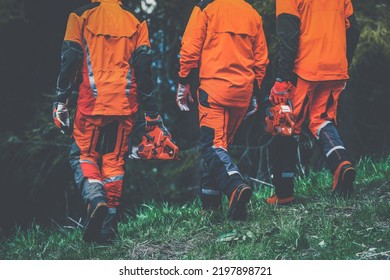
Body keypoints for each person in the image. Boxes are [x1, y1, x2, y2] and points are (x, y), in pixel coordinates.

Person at [52, 0, 169, 243]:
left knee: (83, 155)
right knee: (114, 163)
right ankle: (107, 230)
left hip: (92, 103)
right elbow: (144, 68)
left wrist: (61, 99)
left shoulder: (80, 16)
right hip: (126, 104)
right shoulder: (136, 21)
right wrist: (151, 112)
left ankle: (96, 201)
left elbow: (71, 57)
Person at [177, 0, 269, 220]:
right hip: (243, 92)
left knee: (212, 146)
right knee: (220, 148)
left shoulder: (205, 8)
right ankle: (211, 207)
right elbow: (261, 60)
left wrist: (183, 82)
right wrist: (255, 94)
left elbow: (189, 50)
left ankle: (236, 186)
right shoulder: (252, 13)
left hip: (214, 91)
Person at [266, 0, 361, 205]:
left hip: (305, 69)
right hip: (335, 67)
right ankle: (341, 164)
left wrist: (282, 78)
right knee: (321, 121)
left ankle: (284, 193)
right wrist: (342, 61)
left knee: (286, 125)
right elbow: (353, 30)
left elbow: (288, 36)